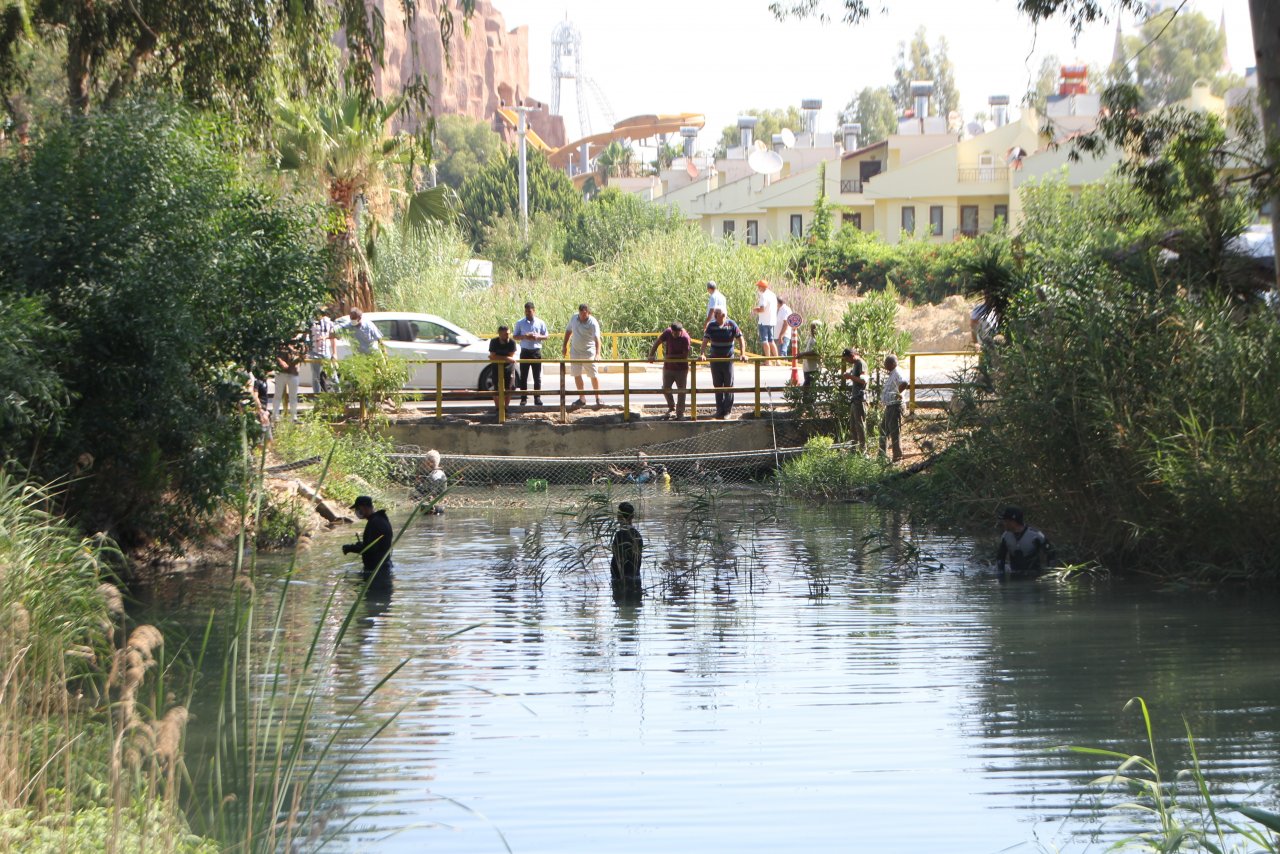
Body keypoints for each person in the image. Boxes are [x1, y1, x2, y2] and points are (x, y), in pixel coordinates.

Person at [701, 306, 746, 419]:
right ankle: (719, 410)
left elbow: (740, 338)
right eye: (715, 313)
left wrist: (742, 354)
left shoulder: (731, 324)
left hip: (728, 360)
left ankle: (727, 411)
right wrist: (702, 353)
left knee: (728, 385)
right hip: (715, 360)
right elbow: (705, 340)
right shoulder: (711, 325)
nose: (715, 315)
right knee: (717, 386)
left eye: (717, 314)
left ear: (723, 315)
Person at [342, 496, 394, 588]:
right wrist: (361, 545)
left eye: (358, 509)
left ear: (364, 507)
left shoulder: (375, 523)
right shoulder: (380, 519)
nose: (357, 512)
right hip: (383, 567)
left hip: (377, 572)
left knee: (372, 598)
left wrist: (351, 548)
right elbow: (376, 545)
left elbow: (371, 549)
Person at [648, 321, 693, 419]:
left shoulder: (685, 338)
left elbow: (684, 355)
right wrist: (651, 354)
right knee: (665, 388)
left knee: (681, 390)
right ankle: (671, 406)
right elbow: (658, 342)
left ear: (680, 331)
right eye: (672, 333)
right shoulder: (668, 332)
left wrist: (668, 356)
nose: (674, 335)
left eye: (676, 333)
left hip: (681, 369)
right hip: (668, 367)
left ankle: (680, 413)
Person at [562, 304, 603, 409]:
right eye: (581, 314)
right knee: (577, 374)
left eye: (584, 314)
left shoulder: (593, 322)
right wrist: (565, 346)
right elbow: (568, 331)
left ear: (588, 313)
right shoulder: (574, 318)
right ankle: (582, 398)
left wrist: (598, 354)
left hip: (589, 352)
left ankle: (598, 397)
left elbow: (597, 338)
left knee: (593, 374)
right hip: (575, 351)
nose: (582, 316)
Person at [996, 506, 1049, 577]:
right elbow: (1000, 558)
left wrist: (1048, 573)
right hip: (1014, 576)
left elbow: (1051, 554)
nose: (1003, 523)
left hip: (1034, 576)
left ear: (1013, 522)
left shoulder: (1036, 535)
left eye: (1005, 521)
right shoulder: (1005, 536)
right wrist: (1001, 577)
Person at [513, 301, 548, 406]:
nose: (528, 314)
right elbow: (515, 336)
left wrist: (537, 336)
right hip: (525, 352)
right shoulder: (520, 323)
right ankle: (523, 398)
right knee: (523, 376)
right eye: (526, 312)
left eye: (530, 312)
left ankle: (537, 398)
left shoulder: (540, 322)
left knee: (537, 377)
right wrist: (525, 336)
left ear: (534, 311)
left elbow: (546, 336)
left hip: (536, 352)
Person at [610, 501, 644, 600]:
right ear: (632, 516)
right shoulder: (637, 535)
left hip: (619, 579)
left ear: (619, 517)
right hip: (634, 577)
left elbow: (615, 557)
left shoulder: (619, 535)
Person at [878, 354, 908, 462]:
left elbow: (904, 383)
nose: (885, 366)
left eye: (887, 364)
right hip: (890, 406)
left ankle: (897, 456)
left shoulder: (897, 372)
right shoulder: (892, 374)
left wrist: (897, 394)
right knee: (883, 430)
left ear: (893, 364)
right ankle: (882, 455)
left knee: (894, 432)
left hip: (895, 406)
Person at [271, 334, 305, 422]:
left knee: (293, 396)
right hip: (281, 373)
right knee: (278, 395)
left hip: (293, 373)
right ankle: (275, 416)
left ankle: (293, 417)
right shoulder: (282, 344)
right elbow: (276, 355)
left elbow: (303, 356)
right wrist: (281, 362)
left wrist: (300, 358)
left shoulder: (299, 345)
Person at [841, 347, 868, 450]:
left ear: (852, 356)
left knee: (860, 425)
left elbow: (863, 381)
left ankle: (863, 449)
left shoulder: (861, 364)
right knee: (853, 426)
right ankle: (854, 448)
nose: (847, 361)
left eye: (847, 359)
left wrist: (850, 377)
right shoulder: (855, 364)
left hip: (860, 399)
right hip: (854, 399)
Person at [488, 324, 518, 414]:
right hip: (496, 367)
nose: (507, 335)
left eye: (508, 333)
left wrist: (499, 357)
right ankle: (498, 408)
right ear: (500, 334)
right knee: (496, 388)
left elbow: (511, 357)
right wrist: (506, 358)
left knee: (509, 388)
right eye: (505, 334)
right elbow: (492, 357)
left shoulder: (512, 342)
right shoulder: (493, 342)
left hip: (509, 367)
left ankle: (505, 408)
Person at [306, 309, 338, 394]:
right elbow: (305, 337)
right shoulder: (310, 323)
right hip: (314, 353)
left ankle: (339, 395)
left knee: (332, 374)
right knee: (316, 376)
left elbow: (333, 337)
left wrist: (334, 353)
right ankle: (317, 397)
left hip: (326, 353)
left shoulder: (328, 322)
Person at [751, 279, 779, 359]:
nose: (758, 288)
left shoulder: (763, 296)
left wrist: (755, 310)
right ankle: (777, 360)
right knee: (771, 341)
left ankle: (768, 360)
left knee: (765, 341)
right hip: (772, 321)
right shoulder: (773, 295)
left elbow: (762, 309)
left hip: (763, 322)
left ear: (762, 287)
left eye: (758, 286)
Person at [798, 320, 823, 395]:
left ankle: (809, 404)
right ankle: (807, 404)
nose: (813, 330)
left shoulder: (818, 339)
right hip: (808, 367)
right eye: (812, 328)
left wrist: (803, 354)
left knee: (809, 388)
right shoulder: (811, 338)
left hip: (813, 368)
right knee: (807, 387)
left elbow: (815, 352)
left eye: (815, 328)